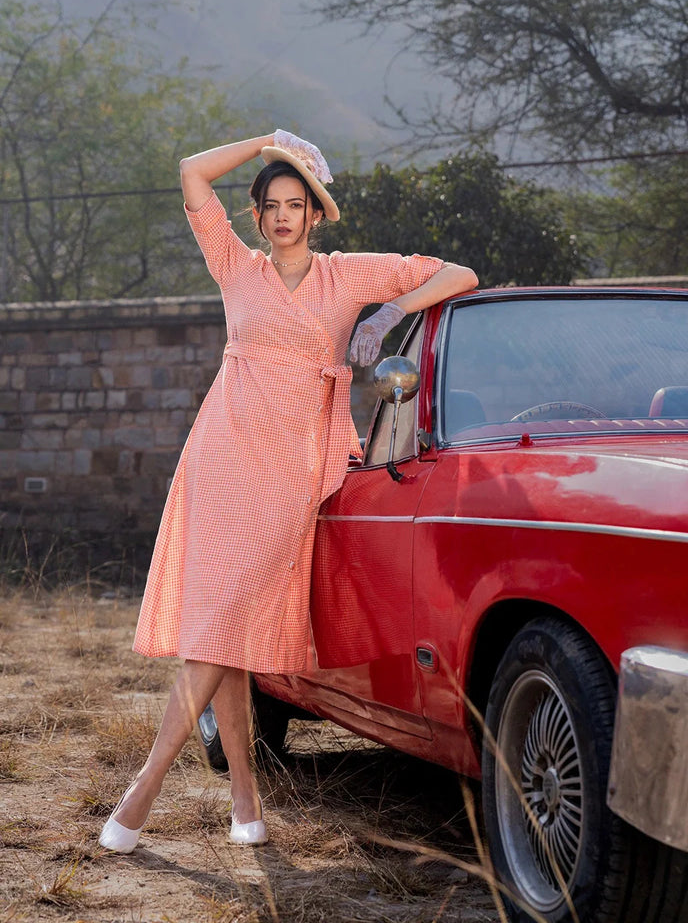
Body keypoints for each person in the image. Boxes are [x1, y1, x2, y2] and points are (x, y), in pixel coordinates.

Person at [98, 130, 477, 853]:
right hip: (223, 459)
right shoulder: (235, 267)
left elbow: (459, 273)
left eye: (294, 204)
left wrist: (390, 313)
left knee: (220, 626)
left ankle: (144, 787)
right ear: (258, 216)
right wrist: (269, 141)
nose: (281, 216)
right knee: (225, 633)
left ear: (314, 214)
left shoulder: (348, 277)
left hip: (296, 471)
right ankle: (245, 802)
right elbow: (188, 170)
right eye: (270, 205)